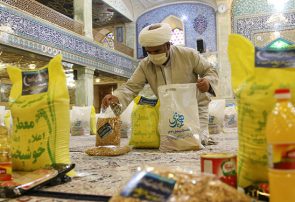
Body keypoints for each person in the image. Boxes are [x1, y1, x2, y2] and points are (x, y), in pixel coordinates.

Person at [102, 23, 218, 145]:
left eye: (157, 50)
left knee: (197, 142)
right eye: (149, 52)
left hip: (195, 109)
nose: (153, 55)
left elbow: (210, 71)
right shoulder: (145, 65)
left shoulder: (189, 55)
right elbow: (131, 87)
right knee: (170, 143)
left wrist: (207, 82)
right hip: (168, 112)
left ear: (167, 45)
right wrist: (116, 97)